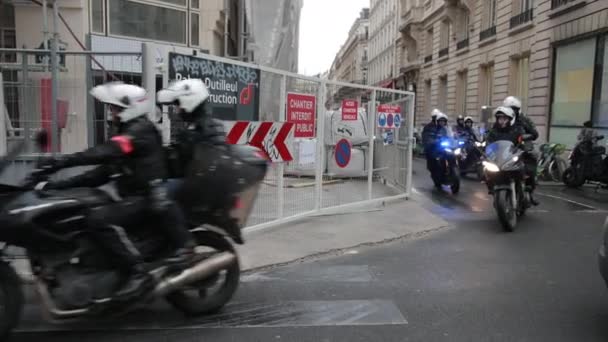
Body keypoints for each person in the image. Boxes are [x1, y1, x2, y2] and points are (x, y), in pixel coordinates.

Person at [36, 82, 195, 300]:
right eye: (112, 109)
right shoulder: (128, 133)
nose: (112, 114)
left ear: (130, 108)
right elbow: (99, 174)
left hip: (146, 197)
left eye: (115, 109)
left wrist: (63, 161)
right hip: (131, 195)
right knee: (85, 209)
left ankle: (136, 271)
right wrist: (57, 186)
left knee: (99, 220)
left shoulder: (139, 132)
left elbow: (108, 150)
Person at [157, 79, 226, 178]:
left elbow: (179, 168)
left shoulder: (194, 134)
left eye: (178, 106)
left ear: (189, 102)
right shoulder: (213, 125)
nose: (177, 110)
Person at [503, 96, 539, 205]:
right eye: (509, 108)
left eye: (514, 108)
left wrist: (525, 137)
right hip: (506, 150)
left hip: (523, 149)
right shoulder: (502, 119)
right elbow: (494, 131)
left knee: (531, 165)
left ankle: (530, 191)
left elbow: (535, 133)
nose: (512, 111)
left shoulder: (524, 120)